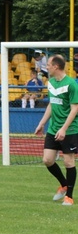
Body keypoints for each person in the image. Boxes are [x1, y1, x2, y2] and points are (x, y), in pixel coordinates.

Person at [35, 54, 78, 206]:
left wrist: (64, 129)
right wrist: (42, 123)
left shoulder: (71, 84)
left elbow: (75, 109)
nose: (47, 67)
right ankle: (64, 184)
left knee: (68, 161)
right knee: (47, 160)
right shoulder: (51, 82)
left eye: (49, 65)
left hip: (70, 129)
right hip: (53, 129)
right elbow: (51, 105)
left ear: (56, 66)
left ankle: (70, 197)